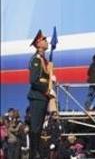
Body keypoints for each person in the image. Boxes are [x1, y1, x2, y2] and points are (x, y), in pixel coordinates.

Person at [27, 29, 54, 159]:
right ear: (38, 43)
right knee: (36, 128)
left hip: (42, 97)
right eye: (44, 39)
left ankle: (36, 153)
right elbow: (34, 80)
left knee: (38, 128)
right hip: (38, 96)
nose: (46, 41)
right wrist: (46, 89)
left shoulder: (44, 59)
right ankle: (34, 154)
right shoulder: (36, 59)